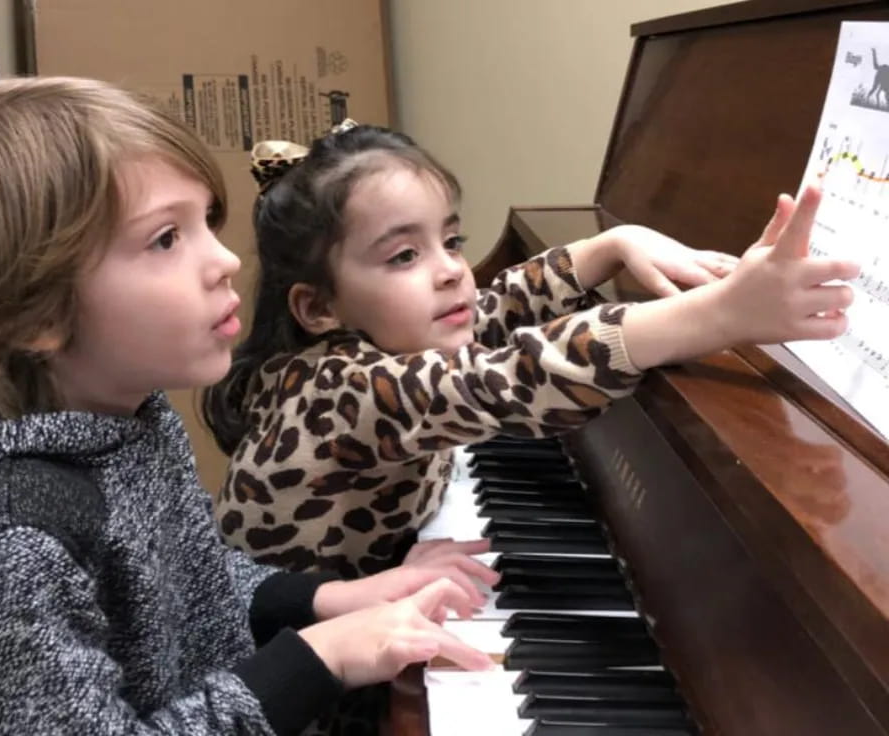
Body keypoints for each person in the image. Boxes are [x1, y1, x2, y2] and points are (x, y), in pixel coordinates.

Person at [0, 77, 498, 736]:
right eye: (165, 239)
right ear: (33, 313)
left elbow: (191, 593)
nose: (222, 260)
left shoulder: (129, 419)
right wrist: (318, 658)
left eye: (207, 223)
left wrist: (327, 599)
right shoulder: (15, 538)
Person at [202, 122, 859, 581]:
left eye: (451, 242)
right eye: (405, 255)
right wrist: (718, 314)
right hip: (312, 693)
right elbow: (502, 379)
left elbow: (494, 310)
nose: (452, 271)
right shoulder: (335, 395)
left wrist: (610, 244)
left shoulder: (382, 341)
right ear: (320, 308)